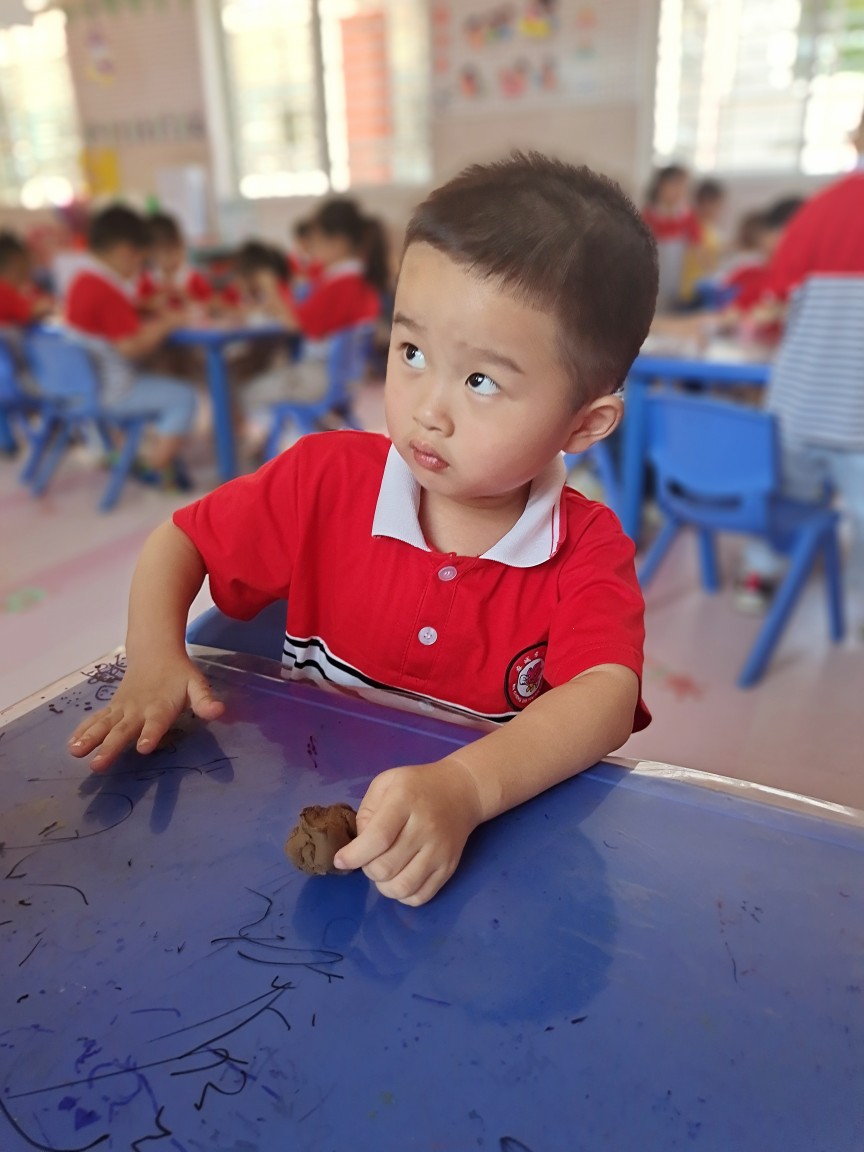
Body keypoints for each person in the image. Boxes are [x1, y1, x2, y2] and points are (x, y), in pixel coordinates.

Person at [67, 153, 658, 906]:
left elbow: (604, 696)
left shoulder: (587, 550)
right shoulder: (324, 480)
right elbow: (180, 541)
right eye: (410, 352)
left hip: (481, 860)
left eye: (480, 380)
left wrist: (467, 788)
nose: (427, 409)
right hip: (302, 817)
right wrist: (154, 653)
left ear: (584, 423)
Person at [735, 108, 864, 617]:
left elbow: (771, 306)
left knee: (783, 500)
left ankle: (758, 577)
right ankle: (858, 606)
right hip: (857, 415)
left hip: (800, 402)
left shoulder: (818, 211)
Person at [64, 204, 197, 485]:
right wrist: (170, 322)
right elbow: (132, 346)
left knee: (164, 372)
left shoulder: (82, 280)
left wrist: (140, 308)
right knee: (183, 395)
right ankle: (155, 468)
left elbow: (107, 323)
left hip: (84, 389)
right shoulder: (106, 289)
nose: (139, 271)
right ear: (126, 251)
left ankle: (134, 451)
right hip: (114, 392)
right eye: (141, 261)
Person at [236, 200, 388, 437]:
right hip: (347, 379)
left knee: (245, 393)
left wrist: (271, 288)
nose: (312, 250)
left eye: (315, 242)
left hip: (321, 377)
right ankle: (281, 436)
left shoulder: (340, 284)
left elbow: (295, 324)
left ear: (337, 243)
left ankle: (279, 439)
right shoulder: (359, 279)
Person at [642, 163, 700, 312]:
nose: (678, 191)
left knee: (674, 303)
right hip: (655, 269)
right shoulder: (650, 214)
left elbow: (696, 243)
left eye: (682, 187)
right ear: (659, 187)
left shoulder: (687, 215)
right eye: (673, 186)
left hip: (679, 273)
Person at [137, 213, 214, 314]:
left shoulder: (193, 278)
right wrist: (152, 303)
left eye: (178, 250)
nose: (174, 258)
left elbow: (210, 306)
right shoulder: (148, 281)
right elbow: (139, 307)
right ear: (151, 255)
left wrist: (188, 298)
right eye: (167, 253)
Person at [0, 231, 52, 328]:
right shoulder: (4, 292)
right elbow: (33, 311)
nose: (28, 273)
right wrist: (48, 305)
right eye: (27, 267)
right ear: (17, 262)